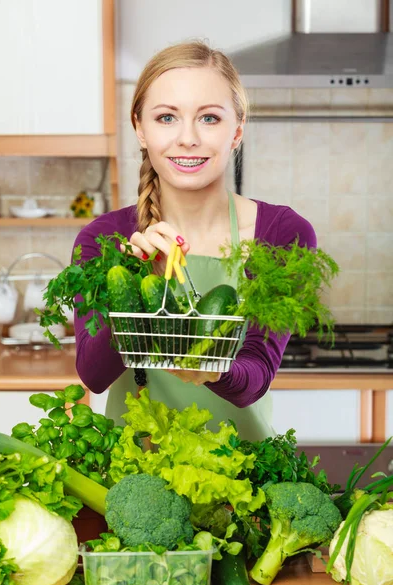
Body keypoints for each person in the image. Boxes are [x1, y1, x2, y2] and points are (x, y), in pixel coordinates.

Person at [73, 40, 316, 441]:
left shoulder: (282, 234)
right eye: (167, 117)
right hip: (134, 476)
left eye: (209, 118)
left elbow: (255, 376)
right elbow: (94, 375)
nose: (187, 138)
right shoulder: (102, 240)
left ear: (237, 131)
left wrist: (212, 370)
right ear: (140, 128)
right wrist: (134, 282)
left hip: (242, 473)